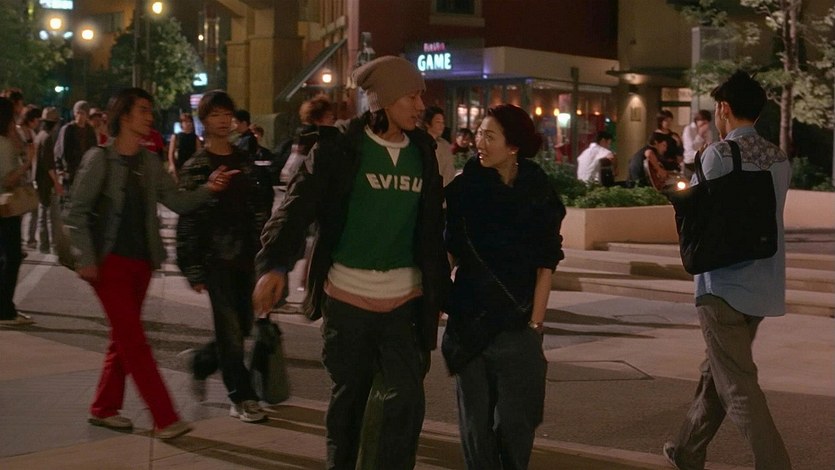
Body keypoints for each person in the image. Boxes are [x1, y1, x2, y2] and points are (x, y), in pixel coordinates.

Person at [252, 55, 449, 469]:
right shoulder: (339, 148)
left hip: (405, 301)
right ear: (384, 100)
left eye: (420, 97)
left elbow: (432, 228)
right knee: (350, 403)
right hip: (348, 300)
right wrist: (274, 266)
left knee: (406, 401)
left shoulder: (423, 152)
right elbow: (295, 208)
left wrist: (441, 289)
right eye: (411, 96)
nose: (420, 106)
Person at [63, 87, 238, 440]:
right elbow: (75, 213)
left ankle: (103, 408)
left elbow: (177, 201)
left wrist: (209, 189)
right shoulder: (100, 159)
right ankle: (165, 417)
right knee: (135, 341)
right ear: (124, 115)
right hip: (109, 264)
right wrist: (85, 258)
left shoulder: (149, 162)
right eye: (143, 110)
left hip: (141, 263)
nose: (149, 116)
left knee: (123, 340)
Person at [663, 71, 792, 470]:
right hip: (762, 285)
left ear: (723, 108)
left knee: (737, 385)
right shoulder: (779, 159)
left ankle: (775, 464)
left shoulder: (717, 154)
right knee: (716, 373)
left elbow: (697, 209)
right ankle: (686, 450)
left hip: (721, 286)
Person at [442, 104, 565, 470]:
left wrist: (535, 324)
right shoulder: (464, 189)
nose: (479, 143)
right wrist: (441, 301)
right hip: (470, 321)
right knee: (475, 425)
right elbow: (449, 251)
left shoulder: (537, 191)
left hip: (518, 324)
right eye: (479, 134)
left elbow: (547, 262)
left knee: (517, 422)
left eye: (489, 136)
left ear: (513, 146)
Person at [176, 90, 272, 422]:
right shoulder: (196, 167)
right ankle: (241, 396)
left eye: (226, 114)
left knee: (243, 326)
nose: (222, 120)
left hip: (247, 256)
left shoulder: (245, 161)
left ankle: (202, 362)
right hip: (215, 259)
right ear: (203, 120)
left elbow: (261, 208)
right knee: (230, 330)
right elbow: (188, 219)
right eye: (215, 114)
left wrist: (267, 253)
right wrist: (192, 268)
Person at [0, 97, 35, 326]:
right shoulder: (3, 144)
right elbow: (8, 179)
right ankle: (5, 310)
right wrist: (26, 164)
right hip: (5, 207)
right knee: (12, 257)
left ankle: (6, 308)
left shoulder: (7, 140)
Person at [54, 100, 97, 200]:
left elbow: (94, 150)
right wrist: (61, 169)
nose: (79, 116)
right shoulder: (68, 129)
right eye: (78, 113)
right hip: (70, 172)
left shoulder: (90, 131)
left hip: (85, 172)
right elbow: (60, 151)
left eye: (82, 113)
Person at [33, 107, 62, 254]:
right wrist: (56, 183)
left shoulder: (39, 136)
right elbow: (49, 164)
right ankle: (53, 246)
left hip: (39, 179)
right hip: (47, 181)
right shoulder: (48, 138)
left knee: (42, 214)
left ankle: (42, 245)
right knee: (52, 216)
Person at [16, 106, 40, 249]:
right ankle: (17, 241)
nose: (37, 123)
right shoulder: (17, 131)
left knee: (33, 207)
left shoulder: (32, 133)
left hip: (30, 175)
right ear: (31, 119)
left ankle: (30, 238)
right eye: (37, 119)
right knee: (19, 210)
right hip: (19, 175)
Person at [422, 106, 456, 187]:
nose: (441, 126)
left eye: (442, 122)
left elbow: (449, 171)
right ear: (427, 123)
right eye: (438, 122)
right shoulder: (422, 144)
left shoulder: (445, 145)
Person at [167, 112, 202, 182]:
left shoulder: (195, 138)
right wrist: (172, 166)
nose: (188, 124)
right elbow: (171, 154)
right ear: (181, 124)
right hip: (179, 166)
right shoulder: (176, 137)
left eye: (190, 122)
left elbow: (199, 153)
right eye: (185, 122)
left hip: (192, 167)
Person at [681, 109, 713, 179]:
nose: (705, 126)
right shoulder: (688, 129)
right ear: (697, 120)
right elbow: (691, 148)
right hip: (690, 163)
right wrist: (700, 134)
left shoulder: (708, 131)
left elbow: (708, 146)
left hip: (703, 163)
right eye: (703, 123)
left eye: (706, 123)